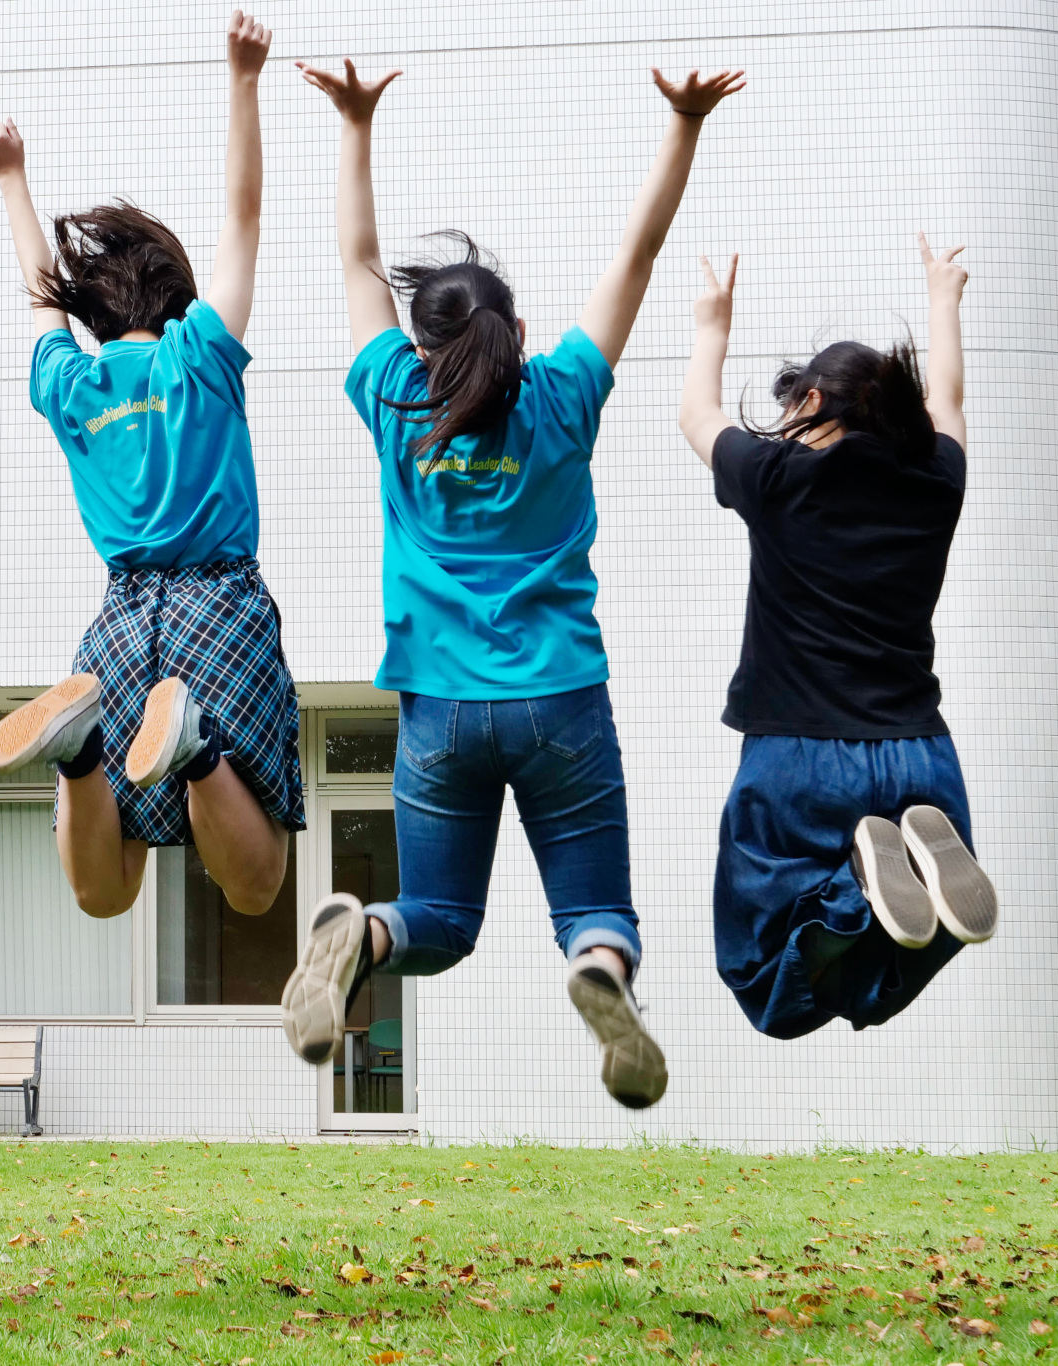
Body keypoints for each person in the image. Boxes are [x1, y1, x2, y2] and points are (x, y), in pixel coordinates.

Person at [284, 59, 745, 1108]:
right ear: (519, 336)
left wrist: (354, 124)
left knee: (438, 924)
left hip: (441, 708)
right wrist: (682, 124)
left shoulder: (395, 397)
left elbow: (356, 256)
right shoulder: (564, 397)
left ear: (422, 341)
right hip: (561, 700)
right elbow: (638, 252)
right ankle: (597, 969)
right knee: (598, 913)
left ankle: (364, 933)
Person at [0, 10, 302, 922]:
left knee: (105, 890)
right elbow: (246, 218)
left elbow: (43, 297)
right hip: (219, 600)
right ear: (178, 292)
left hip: (121, 618)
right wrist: (243, 81)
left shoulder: (73, 382)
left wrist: (12, 180)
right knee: (257, 883)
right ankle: (195, 748)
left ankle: (80, 746)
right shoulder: (199, 354)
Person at [677, 238, 998, 1039]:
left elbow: (695, 414)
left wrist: (712, 324)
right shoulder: (936, 483)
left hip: (800, 760)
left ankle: (855, 895)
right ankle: (901, 868)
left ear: (813, 400)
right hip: (920, 756)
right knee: (893, 959)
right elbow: (948, 402)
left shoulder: (778, 480)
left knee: (761, 975)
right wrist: (945, 297)